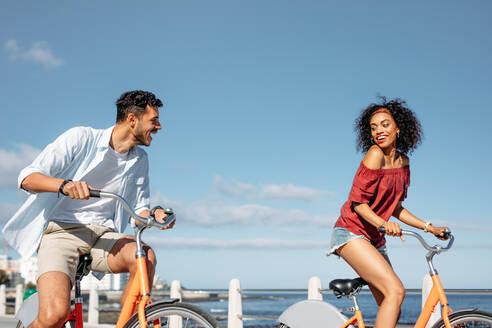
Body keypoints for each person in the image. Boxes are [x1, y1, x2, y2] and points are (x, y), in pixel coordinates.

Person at [3, 90, 174, 328]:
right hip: (62, 233)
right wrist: (65, 186)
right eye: (154, 121)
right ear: (132, 120)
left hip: (103, 236)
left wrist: (154, 214)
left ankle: (130, 323)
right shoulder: (81, 138)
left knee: (145, 256)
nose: (159, 127)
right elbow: (26, 178)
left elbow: (139, 212)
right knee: (55, 315)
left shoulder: (139, 160)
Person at [328, 97, 448, 328]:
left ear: (398, 128)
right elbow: (358, 204)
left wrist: (429, 228)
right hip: (351, 233)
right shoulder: (375, 155)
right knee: (396, 290)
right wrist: (383, 224)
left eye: (385, 124)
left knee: (391, 303)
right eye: (373, 127)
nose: (378, 131)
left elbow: (395, 207)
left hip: (374, 238)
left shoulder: (403, 162)